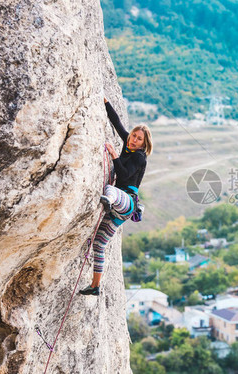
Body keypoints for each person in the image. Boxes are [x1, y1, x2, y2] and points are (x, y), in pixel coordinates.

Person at [80, 98, 153, 296]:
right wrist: (105, 102)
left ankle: (107, 201)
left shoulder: (139, 157)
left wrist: (113, 155)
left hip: (126, 200)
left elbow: (123, 175)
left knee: (109, 190)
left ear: (144, 144)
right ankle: (95, 286)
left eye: (139, 139)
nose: (133, 140)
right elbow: (117, 123)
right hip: (120, 212)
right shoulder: (128, 143)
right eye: (134, 136)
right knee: (99, 244)